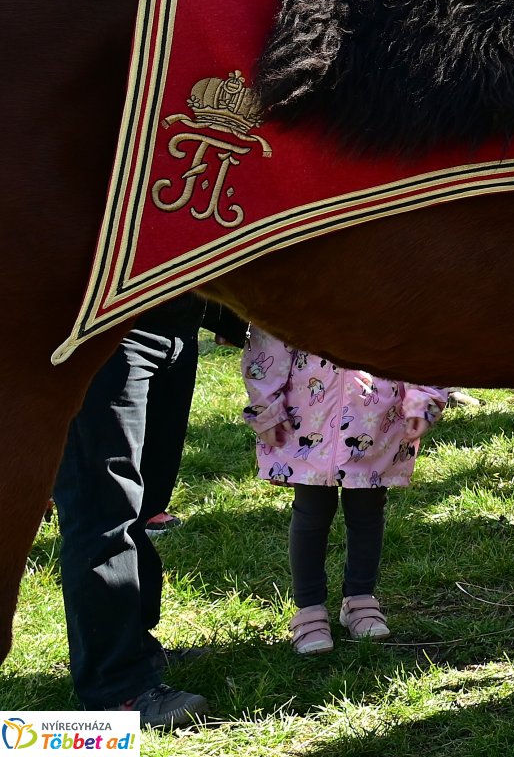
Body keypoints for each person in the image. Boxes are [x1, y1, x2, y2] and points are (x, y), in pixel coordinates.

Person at [241, 326, 447, 654]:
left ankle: (360, 599)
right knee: (311, 511)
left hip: (376, 417)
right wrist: (267, 408)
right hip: (306, 418)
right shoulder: (299, 287)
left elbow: (419, 336)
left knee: (367, 509)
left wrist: (425, 400)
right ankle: (309, 609)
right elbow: (270, 339)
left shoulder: (392, 282)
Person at [52, 295, 207, 728]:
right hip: (103, 326)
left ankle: (135, 648)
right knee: (104, 508)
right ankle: (116, 689)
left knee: (145, 502)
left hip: (177, 323)